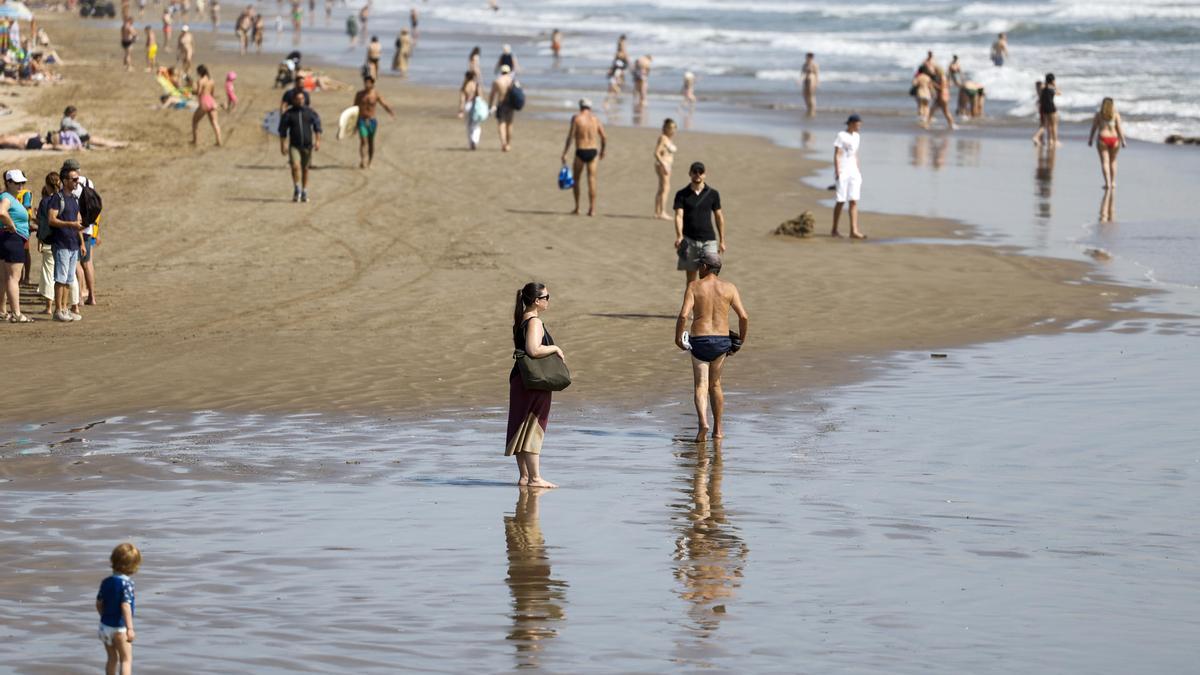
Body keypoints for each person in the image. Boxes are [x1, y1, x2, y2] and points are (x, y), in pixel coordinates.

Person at [674, 252, 748, 442]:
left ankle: (703, 423)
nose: (698, 269)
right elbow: (743, 316)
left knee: (701, 385)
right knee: (715, 385)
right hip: (721, 341)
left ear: (705, 267)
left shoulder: (694, 286)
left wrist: (678, 338)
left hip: (699, 340)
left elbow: (683, 315)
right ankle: (718, 430)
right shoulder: (730, 288)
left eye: (700, 265)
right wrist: (740, 340)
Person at [506, 282, 562, 488]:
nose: (548, 301)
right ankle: (535, 478)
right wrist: (555, 348)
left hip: (520, 378)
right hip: (533, 381)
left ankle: (524, 476)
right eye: (546, 297)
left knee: (520, 426)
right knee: (533, 426)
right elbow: (533, 350)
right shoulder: (534, 322)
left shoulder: (520, 319)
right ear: (537, 301)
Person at [673, 161, 725, 283]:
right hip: (689, 240)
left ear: (704, 174)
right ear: (690, 173)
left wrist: (722, 240)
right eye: (695, 172)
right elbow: (679, 216)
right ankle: (691, 297)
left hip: (709, 241)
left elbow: (719, 216)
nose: (697, 174)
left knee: (710, 278)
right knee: (691, 280)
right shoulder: (681, 194)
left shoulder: (713, 194)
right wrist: (679, 236)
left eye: (700, 172)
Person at [97, 542, 141, 675]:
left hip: (105, 626)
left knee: (112, 658)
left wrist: (104, 616)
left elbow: (99, 603)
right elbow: (125, 605)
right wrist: (130, 628)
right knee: (126, 659)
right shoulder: (127, 583)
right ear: (133, 566)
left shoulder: (106, 582)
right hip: (119, 628)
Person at [47, 166, 84, 322]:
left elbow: (78, 221)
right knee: (60, 279)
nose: (77, 182)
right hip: (61, 243)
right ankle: (58, 310)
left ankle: (64, 308)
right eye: (74, 179)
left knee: (69, 279)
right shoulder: (57, 198)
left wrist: (81, 242)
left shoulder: (74, 198)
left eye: (77, 179)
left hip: (73, 243)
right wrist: (70, 224)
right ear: (64, 180)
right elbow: (51, 219)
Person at [560, 99, 607, 216]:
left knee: (576, 180)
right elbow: (604, 137)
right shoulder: (596, 119)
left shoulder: (576, 118)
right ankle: (592, 209)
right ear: (590, 107)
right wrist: (603, 151)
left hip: (580, 151)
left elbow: (570, 137)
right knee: (592, 180)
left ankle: (577, 207)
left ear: (580, 106)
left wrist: (565, 152)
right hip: (593, 151)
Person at [0, 170, 33, 323]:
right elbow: (1, 212)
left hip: (6, 239)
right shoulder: (7, 197)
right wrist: (11, 224)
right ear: (8, 183)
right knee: (13, 278)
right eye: (17, 182)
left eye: (22, 182)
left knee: (4, 278)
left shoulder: (9, 197)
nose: (21, 185)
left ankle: (2, 311)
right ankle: (17, 314)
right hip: (13, 239)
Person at [279, 89, 322, 202]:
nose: (300, 101)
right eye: (298, 99)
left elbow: (317, 127)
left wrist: (318, 141)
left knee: (305, 169)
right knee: (295, 166)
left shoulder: (310, 112)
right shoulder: (288, 114)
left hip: (307, 146)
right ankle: (297, 188)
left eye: (302, 99)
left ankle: (304, 191)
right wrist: (283, 145)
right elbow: (283, 131)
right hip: (294, 145)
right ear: (293, 100)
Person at [832, 114, 866, 239]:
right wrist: (837, 171)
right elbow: (837, 154)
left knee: (854, 200)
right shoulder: (841, 135)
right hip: (843, 171)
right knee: (841, 201)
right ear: (851, 124)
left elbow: (855, 154)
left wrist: (858, 170)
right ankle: (834, 229)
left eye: (860, 125)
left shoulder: (857, 136)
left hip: (854, 171)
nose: (859, 127)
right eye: (857, 124)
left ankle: (854, 230)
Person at [352, 75, 395, 169]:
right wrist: (353, 123)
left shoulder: (375, 94)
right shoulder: (359, 94)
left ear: (372, 84)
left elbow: (384, 104)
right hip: (362, 120)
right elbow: (354, 107)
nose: (366, 84)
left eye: (368, 83)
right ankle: (363, 160)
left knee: (371, 142)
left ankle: (370, 162)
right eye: (365, 82)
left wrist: (391, 112)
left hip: (372, 121)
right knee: (363, 141)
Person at [1088, 97, 1127, 190]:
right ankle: (1113, 182)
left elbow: (1094, 128)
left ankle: (1107, 183)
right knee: (1113, 161)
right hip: (1114, 139)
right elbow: (1119, 129)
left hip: (1103, 139)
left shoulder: (1099, 115)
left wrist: (1091, 139)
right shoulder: (1116, 114)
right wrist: (1123, 140)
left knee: (1105, 162)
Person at [191, 65, 223, 146]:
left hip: (204, 103)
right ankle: (219, 141)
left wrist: (192, 91)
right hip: (211, 102)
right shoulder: (212, 80)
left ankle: (195, 141)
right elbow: (212, 93)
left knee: (194, 122)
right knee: (215, 123)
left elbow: (198, 93)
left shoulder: (200, 81)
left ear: (199, 72)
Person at [489, 64, 517, 152]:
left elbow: (492, 95)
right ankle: (508, 144)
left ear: (501, 71)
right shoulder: (512, 81)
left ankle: (503, 143)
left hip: (501, 104)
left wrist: (490, 105)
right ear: (509, 72)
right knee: (509, 124)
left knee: (501, 124)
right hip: (510, 105)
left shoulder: (498, 81)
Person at [654, 118, 677, 220]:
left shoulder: (668, 139)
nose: (673, 130)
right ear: (665, 128)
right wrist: (663, 164)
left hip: (665, 164)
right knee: (666, 188)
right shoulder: (663, 138)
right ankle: (662, 212)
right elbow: (656, 152)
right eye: (670, 128)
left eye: (674, 128)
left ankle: (657, 212)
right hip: (663, 165)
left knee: (661, 188)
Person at [458, 69, 484, 150]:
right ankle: (474, 140)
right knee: (476, 125)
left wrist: (461, 110)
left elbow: (462, 100)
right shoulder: (476, 85)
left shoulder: (464, 86)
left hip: (467, 105)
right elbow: (480, 97)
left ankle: (471, 142)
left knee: (468, 125)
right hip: (476, 105)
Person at [1040, 73, 1061, 146]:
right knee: (1054, 125)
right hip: (1052, 108)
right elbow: (1059, 93)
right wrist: (1055, 86)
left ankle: (1050, 140)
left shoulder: (1043, 88)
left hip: (1045, 109)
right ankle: (1055, 141)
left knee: (1048, 125)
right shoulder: (1051, 89)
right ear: (1052, 80)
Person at [800, 52, 819, 116]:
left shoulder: (814, 65)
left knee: (811, 96)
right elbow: (802, 73)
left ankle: (813, 110)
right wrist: (800, 80)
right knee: (805, 95)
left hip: (812, 81)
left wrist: (817, 82)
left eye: (808, 57)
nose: (806, 58)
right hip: (806, 81)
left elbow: (817, 74)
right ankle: (808, 108)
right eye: (806, 57)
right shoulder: (804, 64)